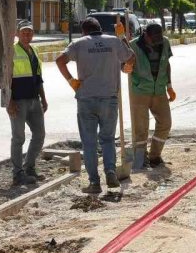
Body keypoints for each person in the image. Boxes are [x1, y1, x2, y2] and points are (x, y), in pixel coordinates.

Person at [56, 17, 135, 194]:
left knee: (89, 143)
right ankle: (111, 172)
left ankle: (94, 182)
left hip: (86, 99)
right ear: (100, 28)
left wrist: (71, 81)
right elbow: (131, 57)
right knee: (107, 139)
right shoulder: (114, 41)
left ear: (84, 31)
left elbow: (59, 60)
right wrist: (122, 38)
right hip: (109, 98)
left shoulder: (79, 43)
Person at [128, 22, 175, 170]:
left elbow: (166, 64)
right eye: (153, 39)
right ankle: (140, 158)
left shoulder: (165, 42)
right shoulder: (133, 46)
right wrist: (126, 66)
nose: (156, 42)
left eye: (158, 39)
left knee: (165, 123)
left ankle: (154, 156)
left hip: (159, 90)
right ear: (146, 35)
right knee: (141, 128)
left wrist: (169, 86)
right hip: (140, 91)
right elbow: (124, 66)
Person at [8, 22, 48, 186]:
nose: (27, 35)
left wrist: (43, 98)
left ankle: (29, 167)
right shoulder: (11, 51)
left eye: (30, 32)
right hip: (17, 101)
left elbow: (38, 79)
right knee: (18, 138)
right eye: (24, 32)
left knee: (39, 135)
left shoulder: (34, 51)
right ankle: (18, 174)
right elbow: (5, 79)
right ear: (17, 34)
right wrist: (8, 101)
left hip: (34, 100)